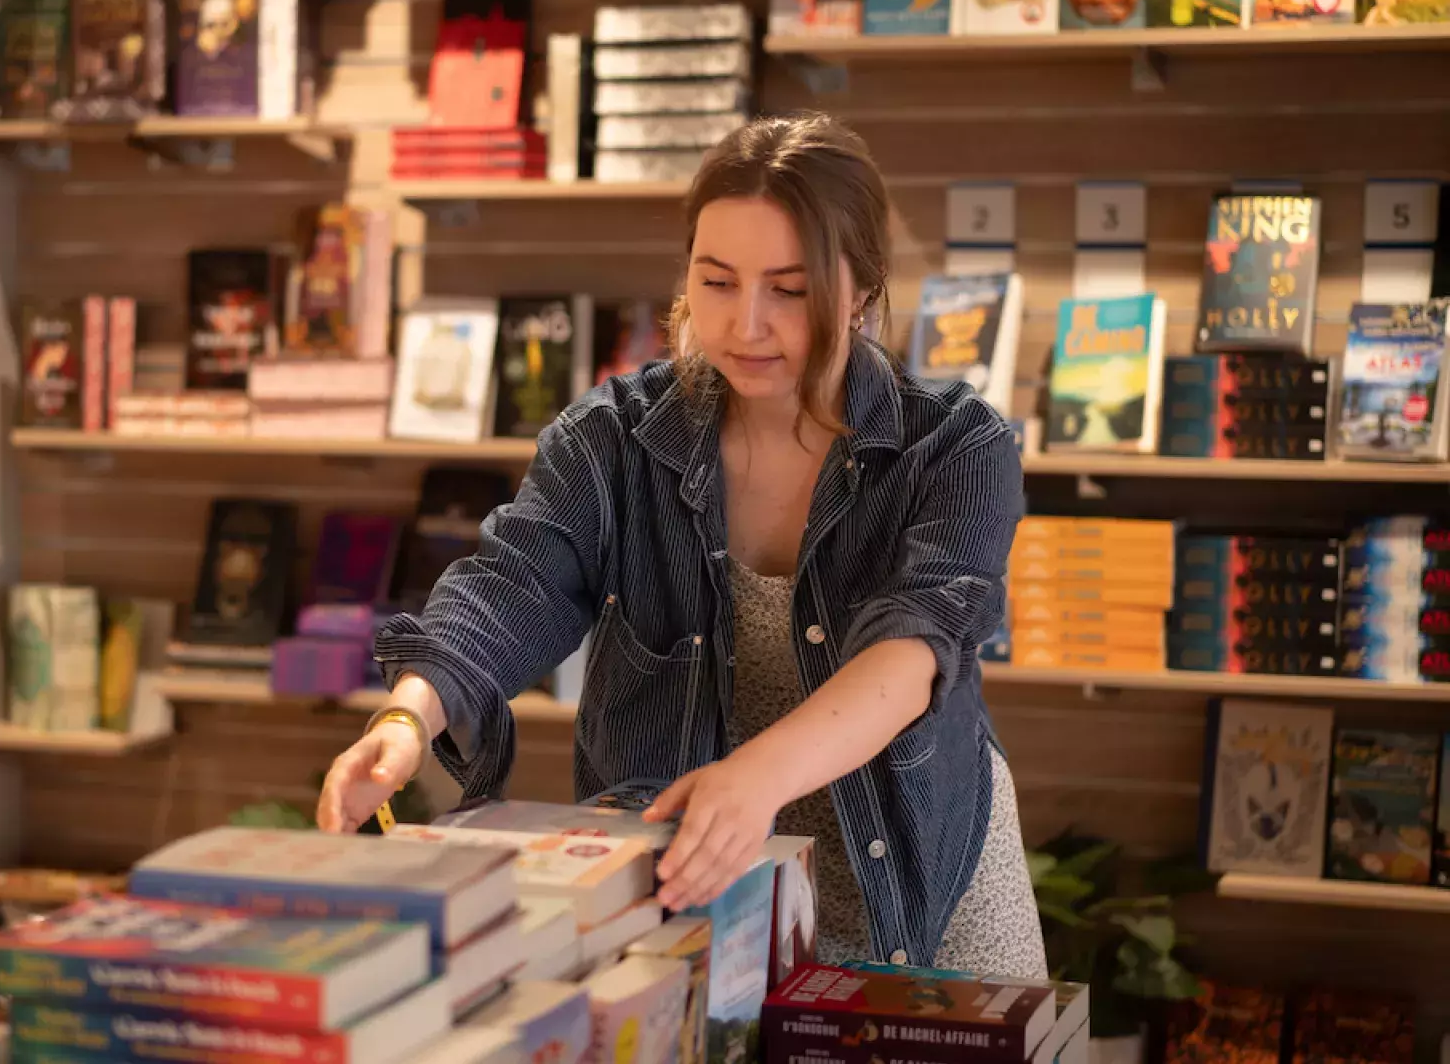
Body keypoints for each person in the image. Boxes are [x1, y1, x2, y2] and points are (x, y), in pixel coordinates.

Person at [317, 112, 1045, 976]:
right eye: (717, 281)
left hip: (921, 882)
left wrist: (756, 778)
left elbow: (913, 651)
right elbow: (513, 584)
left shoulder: (955, 447)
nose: (745, 324)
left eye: (789, 289)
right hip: (696, 885)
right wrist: (410, 715)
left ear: (861, 289)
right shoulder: (611, 440)